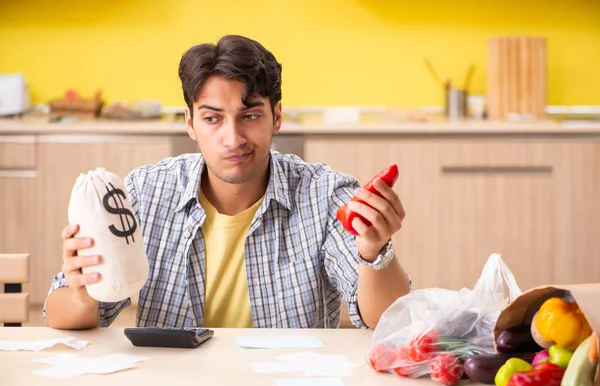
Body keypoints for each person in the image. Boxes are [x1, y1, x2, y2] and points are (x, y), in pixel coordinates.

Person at [44, 35, 412, 330]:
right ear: (190, 122)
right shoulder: (145, 192)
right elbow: (60, 315)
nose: (233, 138)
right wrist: (81, 292)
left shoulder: (325, 195)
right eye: (213, 119)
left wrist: (374, 251)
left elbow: (386, 321)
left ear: (276, 117)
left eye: (249, 115)